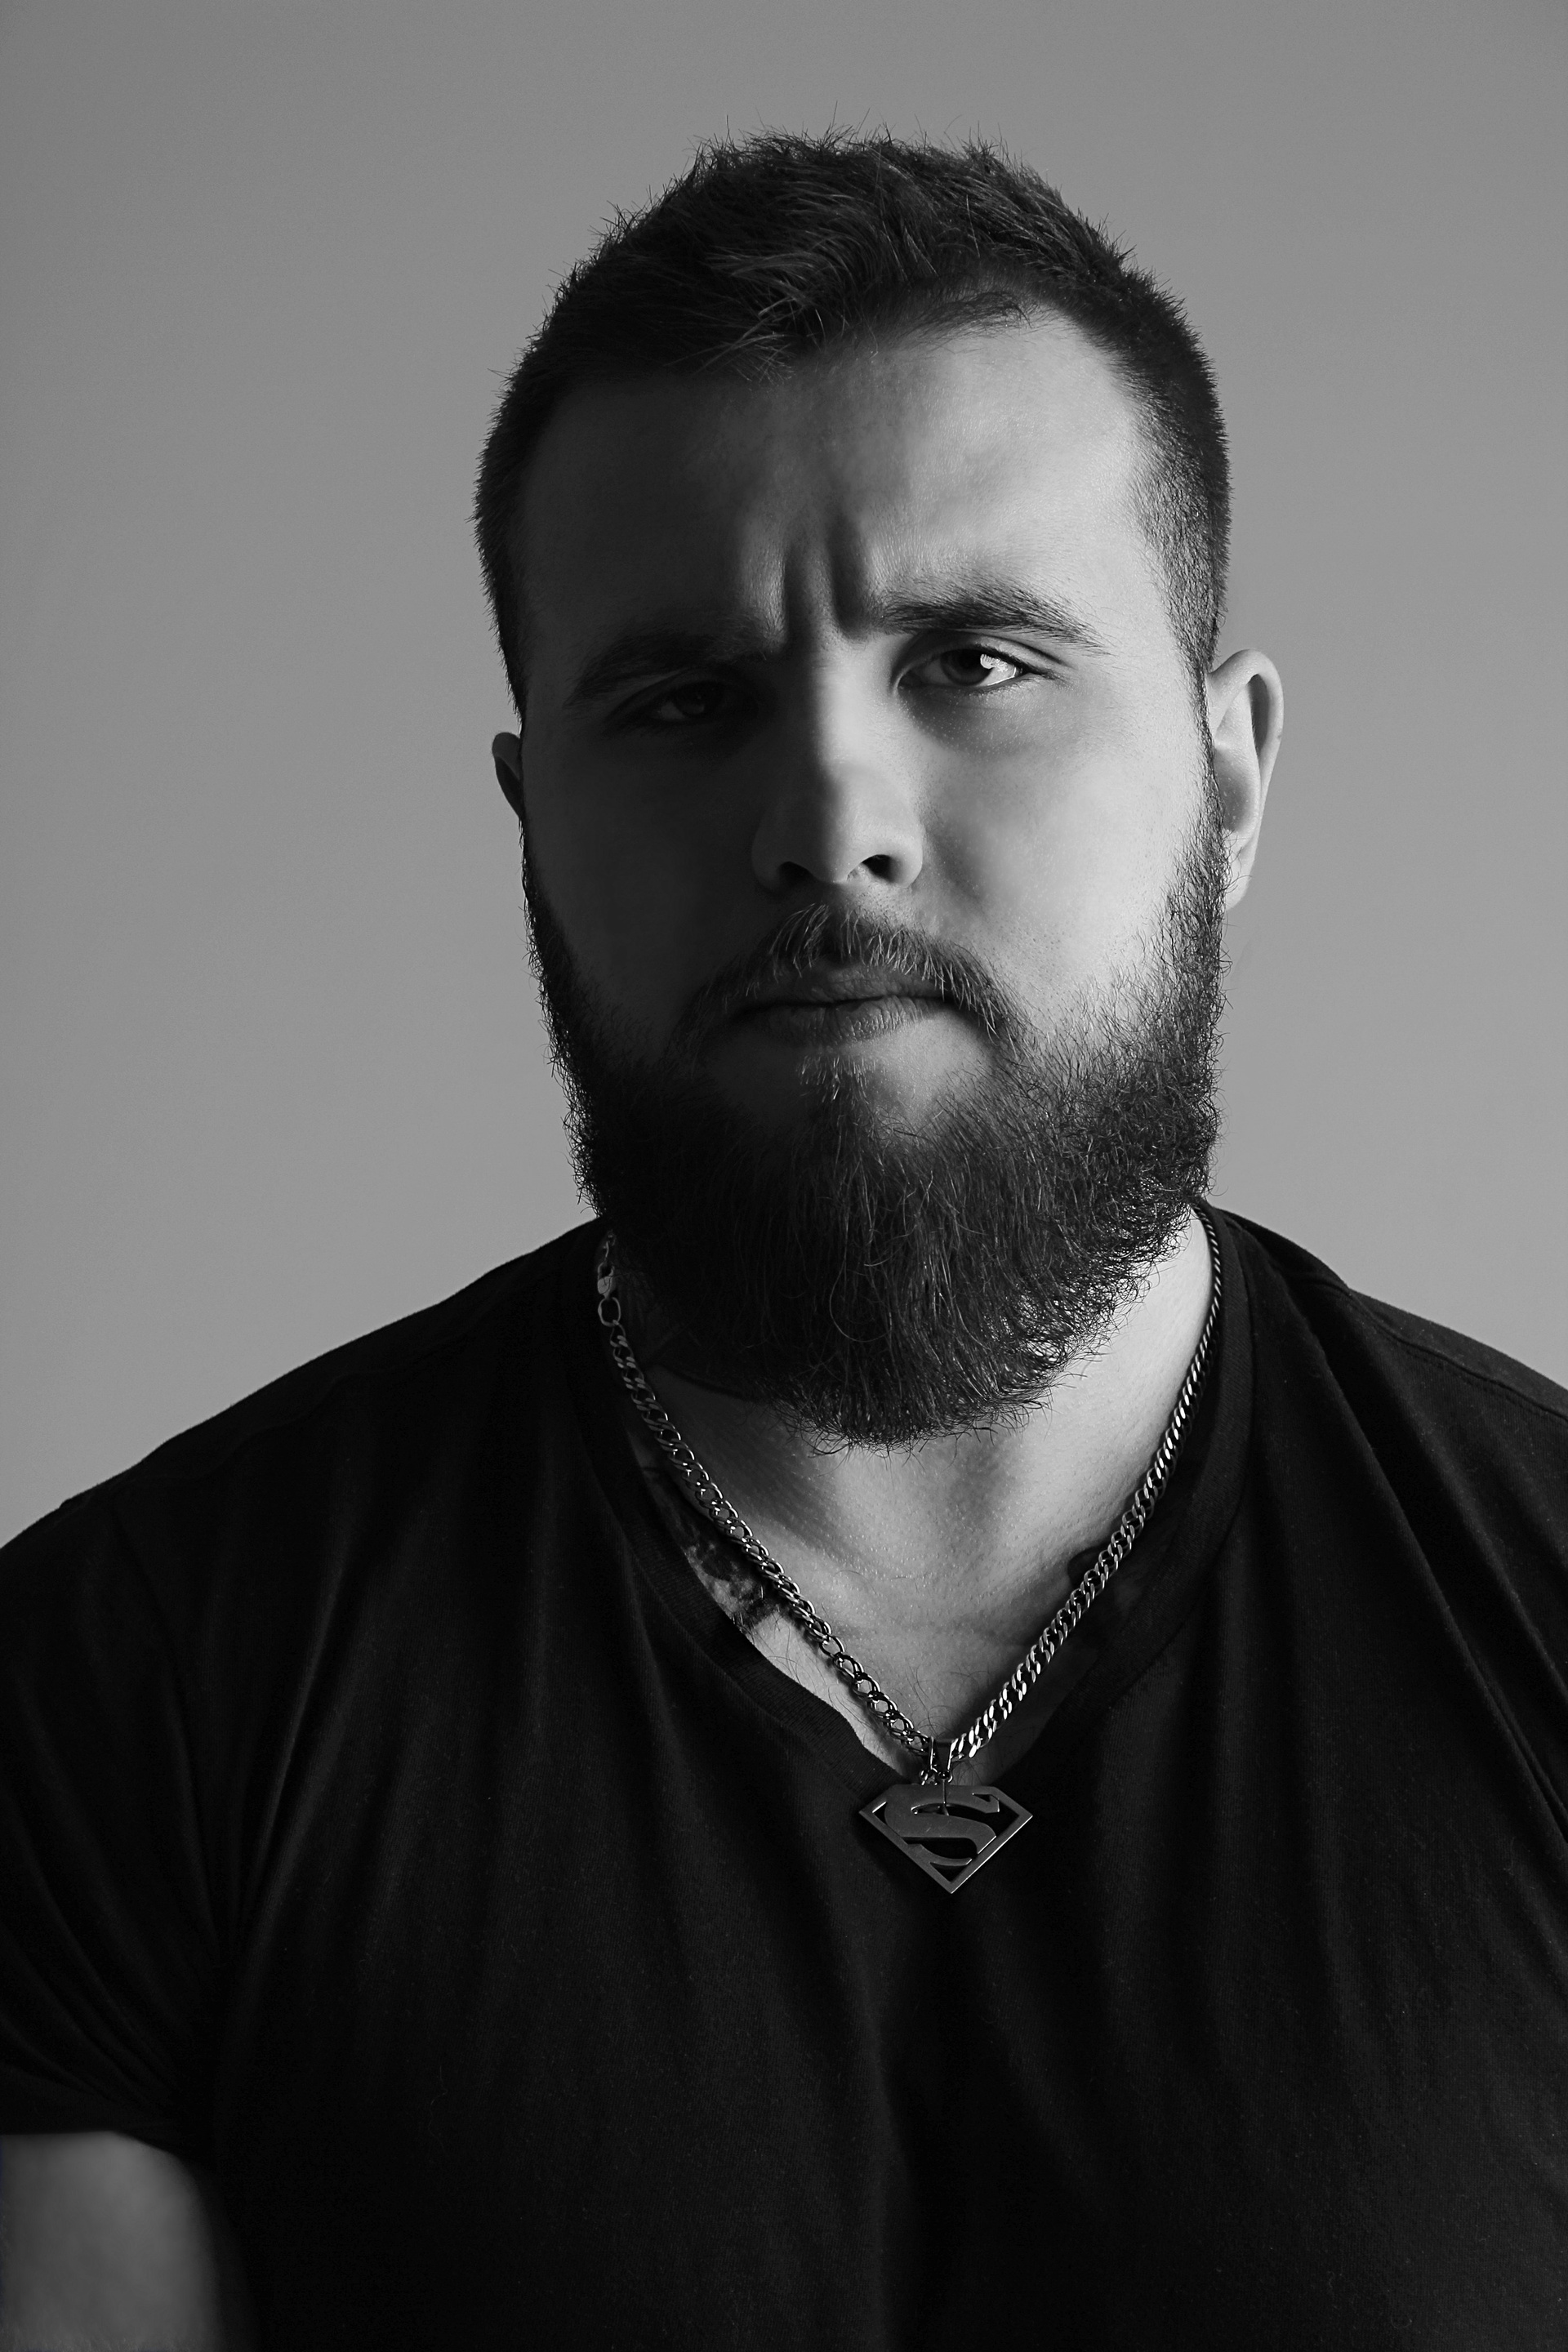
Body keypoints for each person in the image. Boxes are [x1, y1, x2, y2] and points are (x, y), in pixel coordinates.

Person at [0, 131, 1564, 2351]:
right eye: (683, 701)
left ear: (1228, 780)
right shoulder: (123, 1691)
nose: (830, 819)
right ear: (535, 822)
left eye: (977, 660)